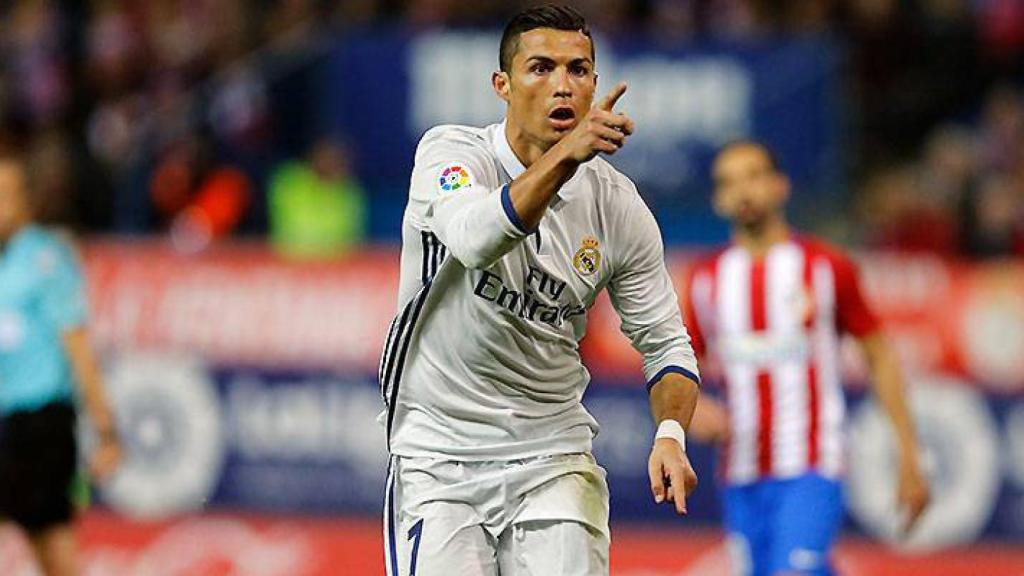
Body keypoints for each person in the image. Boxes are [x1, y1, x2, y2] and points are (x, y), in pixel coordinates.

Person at [379, 5, 701, 575]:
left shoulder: (617, 206)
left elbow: (667, 345)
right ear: (501, 85)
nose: (563, 85)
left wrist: (671, 434)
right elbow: (477, 238)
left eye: (579, 70)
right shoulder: (452, 157)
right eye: (541, 68)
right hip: (439, 456)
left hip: (553, 458)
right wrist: (564, 157)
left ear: (596, 84)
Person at [683, 141, 931, 576]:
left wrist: (910, 457)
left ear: (781, 186)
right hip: (739, 471)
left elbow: (880, 356)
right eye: (728, 182)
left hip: (813, 462)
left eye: (754, 176)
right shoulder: (706, 279)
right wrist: (690, 410)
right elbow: (678, 365)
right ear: (718, 199)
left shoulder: (825, 267)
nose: (743, 190)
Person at [0, 154, 122, 576]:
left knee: (52, 546)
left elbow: (79, 347)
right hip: (3, 420)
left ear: (26, 201)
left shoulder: (46, 259)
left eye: (6, 195)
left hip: (41, 425)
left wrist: (106, 431)